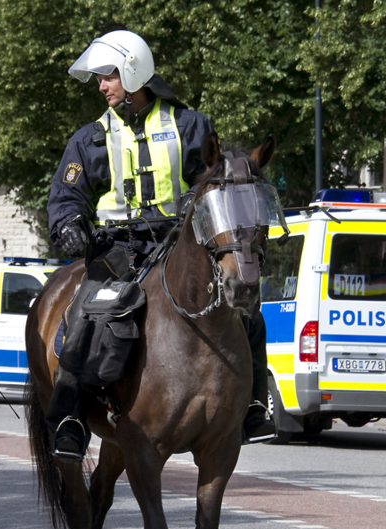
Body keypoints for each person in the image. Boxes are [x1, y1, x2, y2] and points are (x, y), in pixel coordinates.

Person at [44, 30, 275, 459]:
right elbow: (66, 196)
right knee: (84, 310)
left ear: (133, 73)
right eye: (100, 78)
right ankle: (71, 417)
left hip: (177, 240)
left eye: (108, 76)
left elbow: (210, 180)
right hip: (117, 249)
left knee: (246, 312)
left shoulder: (190, 125)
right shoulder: (90, 138)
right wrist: (71, 224)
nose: (102, 86)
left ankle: (255, 407)